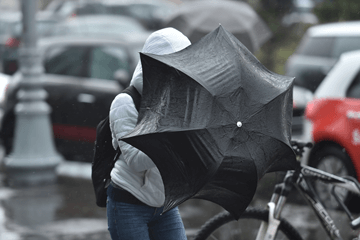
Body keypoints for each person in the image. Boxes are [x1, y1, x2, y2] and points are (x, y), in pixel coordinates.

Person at [107, 28, 191, 240]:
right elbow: (136, 160)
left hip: (164, 202)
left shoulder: (176, 101)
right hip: (128, 203)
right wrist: (173, 135)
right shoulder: (125, 103)